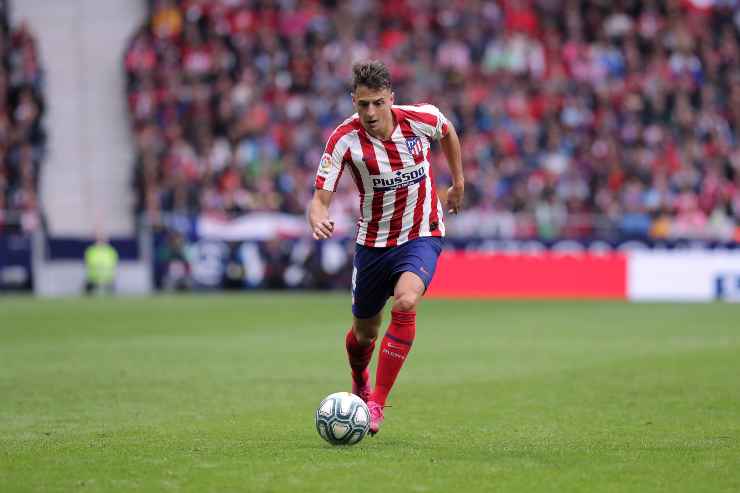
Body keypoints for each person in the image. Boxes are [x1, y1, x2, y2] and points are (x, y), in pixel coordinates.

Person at [307, 60, 464, 436]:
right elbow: (320, 198)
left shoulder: (421, 119)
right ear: (354, 102)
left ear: (391, 98)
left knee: (407, 300)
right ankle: (359, 378)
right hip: (373, 243)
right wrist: (317, 216)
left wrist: (458, 182)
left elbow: (448, 132)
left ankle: (376, 402)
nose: (371, 112)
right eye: (363, 105)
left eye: (378, 103)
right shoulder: (343, 139)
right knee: (364, 333)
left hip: (421, 233)